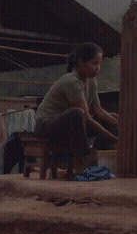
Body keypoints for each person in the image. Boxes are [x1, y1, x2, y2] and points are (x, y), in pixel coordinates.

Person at [34, 42, 118, 170]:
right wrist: (115, 138)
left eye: (99, 64)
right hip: (46, 127)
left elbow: (98, 110)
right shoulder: (72, 81)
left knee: (112, 117)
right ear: (81, 63)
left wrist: (120, 124)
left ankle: (94, 155)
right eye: (94, 63)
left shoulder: (91, 81)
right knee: (77, 113)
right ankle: (80, 161)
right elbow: (87, 118)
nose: (98, 68)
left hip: (71, 127)